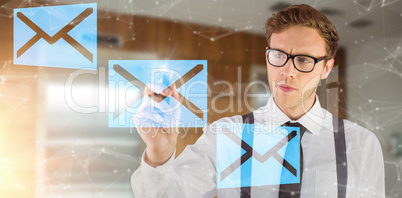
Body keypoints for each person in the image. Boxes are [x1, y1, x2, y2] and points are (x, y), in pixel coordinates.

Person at [131, 4, 385, 198]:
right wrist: (159, 154)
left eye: (304, 60)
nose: (288, 71)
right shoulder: (227, 136)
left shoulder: (360, 144)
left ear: (327, 68)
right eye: (279, 55)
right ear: (267, 57)